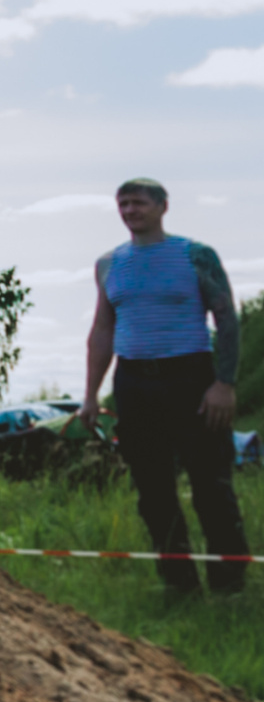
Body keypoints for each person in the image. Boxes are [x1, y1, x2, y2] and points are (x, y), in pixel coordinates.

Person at [80, 178, 249, 596]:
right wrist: (90, 395)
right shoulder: (108, 264)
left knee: (211, 486)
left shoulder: (195, 255)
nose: (130, 211)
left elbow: (226, 319)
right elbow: (102, 330)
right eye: (123, 204)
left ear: (162, 206)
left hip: (192, 379)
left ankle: (230, 585)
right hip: (134, 383)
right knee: (153, 490)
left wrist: (224, 384)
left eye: (138, 203)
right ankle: (179, 585)